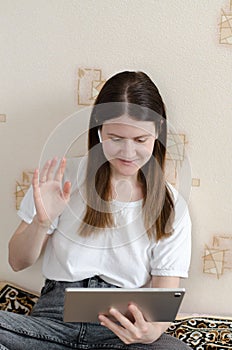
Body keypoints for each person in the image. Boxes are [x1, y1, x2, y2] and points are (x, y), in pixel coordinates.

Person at [0, 71, 192, 350]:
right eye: (115, 138)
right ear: (99, 131)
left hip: (118, 333)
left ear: (157, 135)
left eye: (140, 140)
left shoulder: (171, 206)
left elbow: (162, 299)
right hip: (54, 322)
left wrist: (150, 332)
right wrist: (42, 222)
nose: (128, 152)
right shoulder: (62, 179)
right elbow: (17, 261)